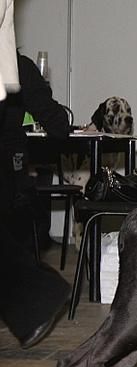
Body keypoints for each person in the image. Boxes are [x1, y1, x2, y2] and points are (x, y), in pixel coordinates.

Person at [0, 45, 71, 347]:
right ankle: (39, 297)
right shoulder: (19, 66)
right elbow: (58, 124)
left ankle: (39, 298)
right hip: (11, 170)